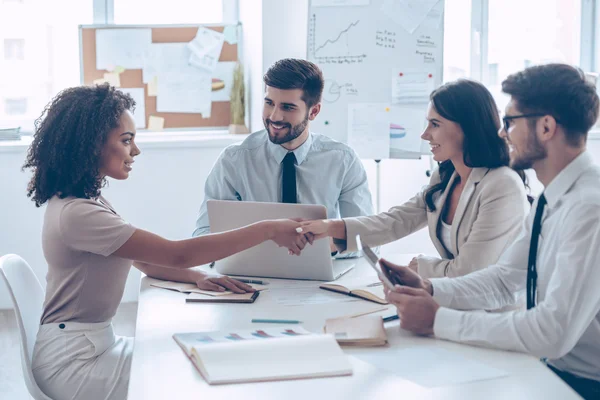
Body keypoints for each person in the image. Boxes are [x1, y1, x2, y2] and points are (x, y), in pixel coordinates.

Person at [23, 84, 309, 400]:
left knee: (195, 355)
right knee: (195, 373)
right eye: (126, 140)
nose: (135, 151)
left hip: (88, 345)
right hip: (73, 364)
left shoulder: (83, 201)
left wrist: (201, 277)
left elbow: (140, 259)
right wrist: (267, 229)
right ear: (90, 145)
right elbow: (178, 254)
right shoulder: (78, 214)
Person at [380, 64, 600, 399]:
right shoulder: (551, 198)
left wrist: (438, 320)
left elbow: (552, 331)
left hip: (584, 383)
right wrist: (430, 288)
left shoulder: (589, 207)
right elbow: (503, 279)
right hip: (552, 370)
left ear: (545, 127)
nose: (502, 132)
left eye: (510, 121)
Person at [299, 79, 530, 279]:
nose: (424, 134)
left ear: (468, 128)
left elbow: (471, 271)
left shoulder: (502, 185)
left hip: (494, 315)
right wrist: (331, 227)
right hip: (454, 302)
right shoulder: (445, 175)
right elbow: (396, 221)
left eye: (435, 124)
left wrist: (422, 267)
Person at [193, 58, 373, 256]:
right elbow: (203, 233)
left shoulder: (343, 161)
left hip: (321, 277)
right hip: (249, 275)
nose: (274, 116)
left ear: (313, 111)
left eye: (288, 107)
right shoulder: (234, 160)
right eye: (269, 103)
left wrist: (323, 246)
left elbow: (367, 239)